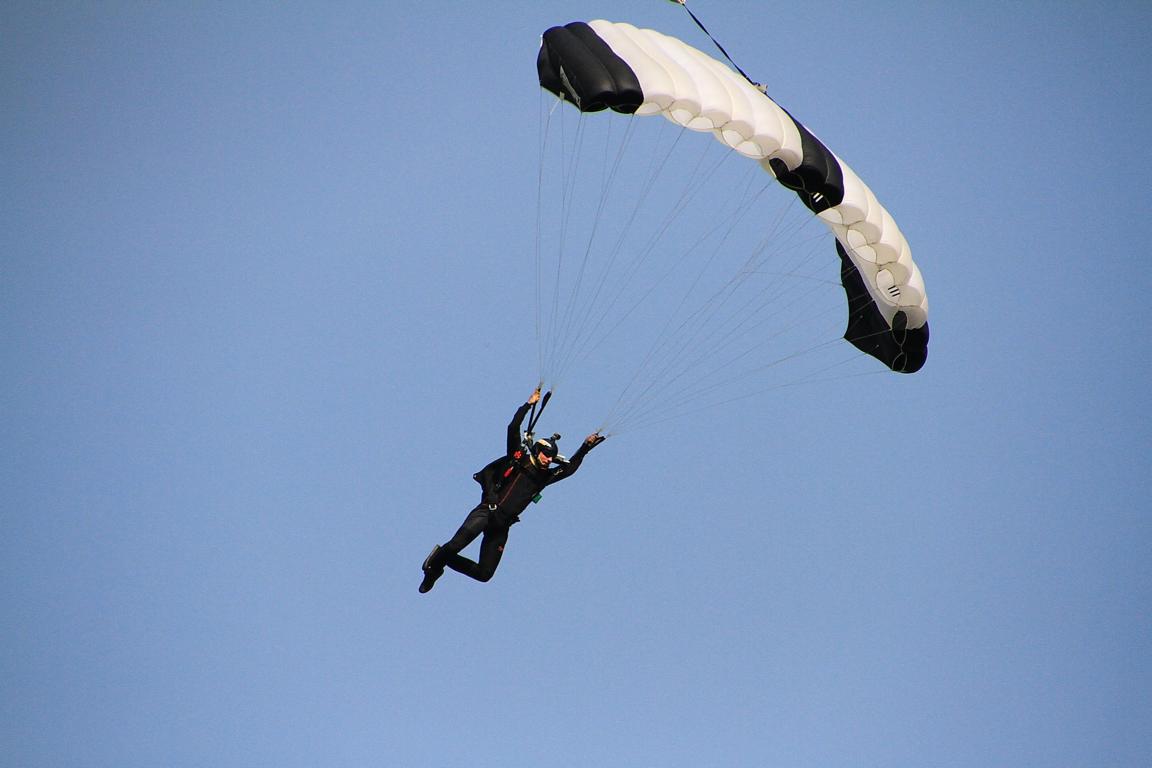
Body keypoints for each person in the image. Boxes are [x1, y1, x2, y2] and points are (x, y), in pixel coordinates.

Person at [418, 387, 605, 593]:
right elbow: (512, 428)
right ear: (538, 450)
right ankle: (434, 569)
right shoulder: (519, 458)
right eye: (546, 455)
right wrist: (528, 405)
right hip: (487, 511)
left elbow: (568, 470)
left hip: (502, 525)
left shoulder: (544, 477)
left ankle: (441, 556)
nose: (548, 460)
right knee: (455, 545)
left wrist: (585, 447)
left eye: (551, 458)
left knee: (484, 574)